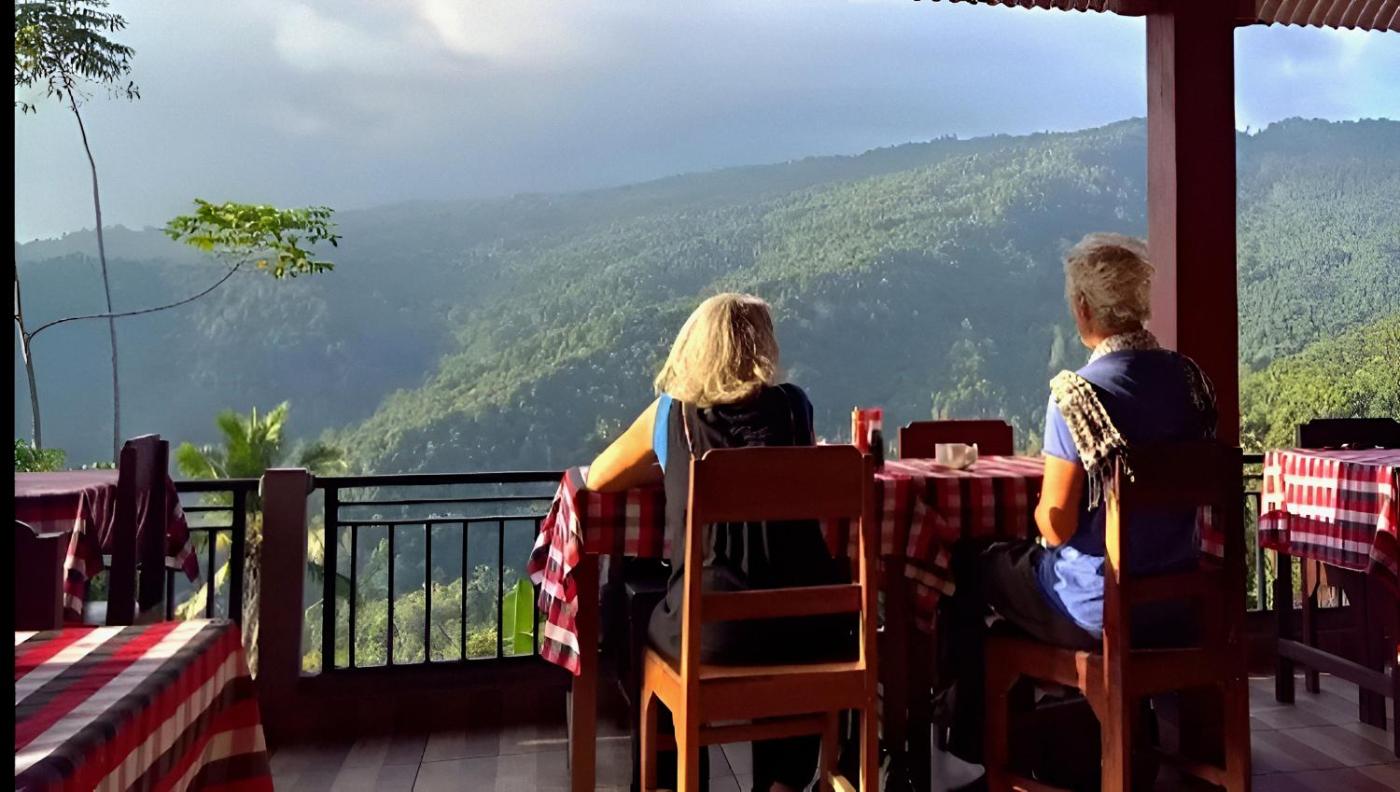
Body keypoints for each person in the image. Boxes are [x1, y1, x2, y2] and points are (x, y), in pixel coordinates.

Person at [941, 233, 1218, 785]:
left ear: (1084, 307)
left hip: (1099, 609)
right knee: (1007, 592)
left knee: (969, 568)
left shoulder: (1079, 395)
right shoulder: (1192, 382)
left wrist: (1039, 518)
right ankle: (1082, 733)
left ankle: (971, 751)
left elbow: (1058, 524)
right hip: (1182, 604)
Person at [588, 292, 853, 792]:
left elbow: (600, 476)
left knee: (640, 616)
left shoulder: (673, 416)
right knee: (785, 616)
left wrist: (668, 465)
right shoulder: (794, 408)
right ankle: (782, 783)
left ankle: (671, 779)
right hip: (808, 631)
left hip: (713, 634)